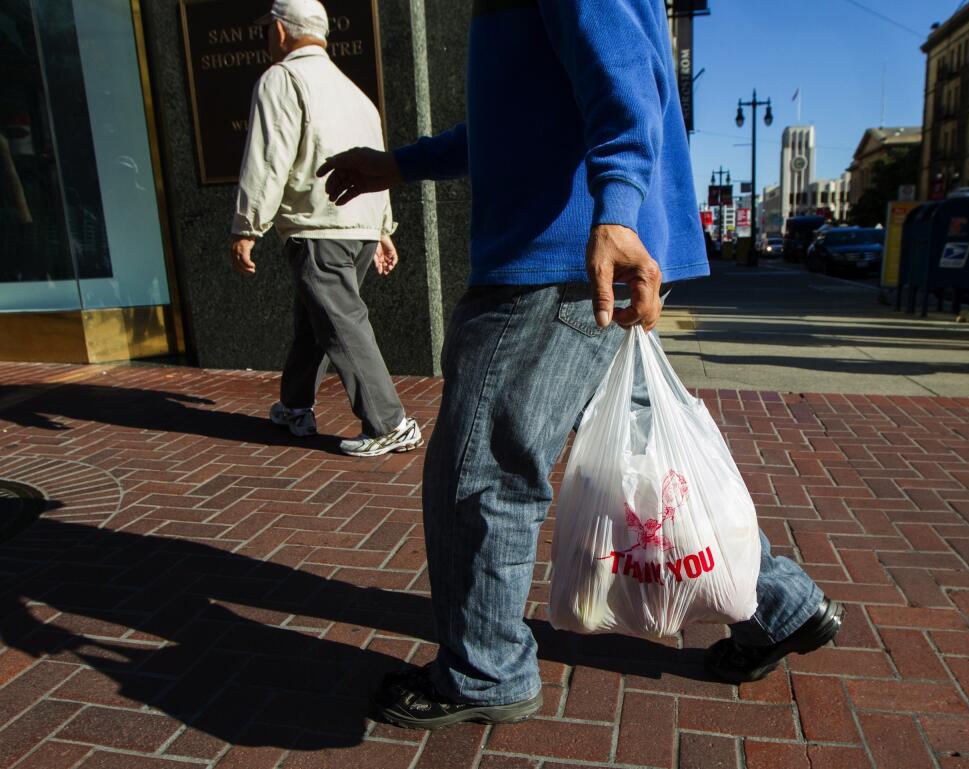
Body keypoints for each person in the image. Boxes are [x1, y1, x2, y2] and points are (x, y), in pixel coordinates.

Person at [317, 0, 842, 730]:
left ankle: (485, 667)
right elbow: (518, 127)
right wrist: (403, 165)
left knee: (485, 472)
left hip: (557, 263)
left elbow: (628, 82)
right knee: (648, 474)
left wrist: (618, 210)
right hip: (576, 256)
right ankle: (779, 602)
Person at [232, 0, 422, 457]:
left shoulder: (282, 78)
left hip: (318, 226)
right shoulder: (353, 91)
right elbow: (377, 160)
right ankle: (295, 405)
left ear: (279, 32)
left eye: (268, 31)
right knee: (315, 320)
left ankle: (390, 423)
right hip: (355, 225)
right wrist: (381, 227)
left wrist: (247, 225)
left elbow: (268, 156)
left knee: (340, 323)